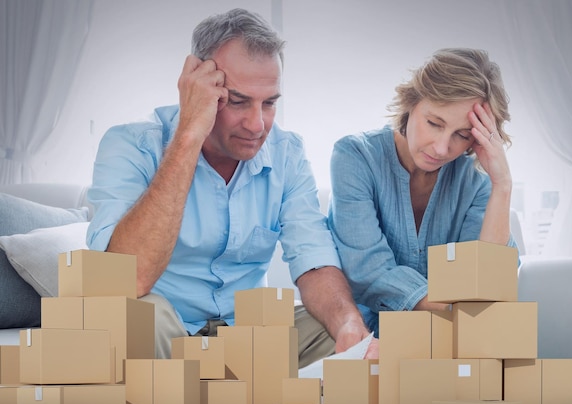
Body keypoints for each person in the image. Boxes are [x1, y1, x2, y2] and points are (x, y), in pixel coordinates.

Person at [86, 8, 376, 367]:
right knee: (138, 313)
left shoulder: (288, 153)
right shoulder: (130, 145)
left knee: (349, 325)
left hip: (250, 336)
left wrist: (347, 323)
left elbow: (313, 259)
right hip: (167, 335)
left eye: (269, 103)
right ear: (197, 86)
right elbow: (126, 279)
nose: (257, 124)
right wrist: (189, 133)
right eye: (238, 101)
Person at [327, 48, 518, 337]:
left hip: (449, 341)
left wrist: (502, 185)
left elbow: (487, 278)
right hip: (363, 339)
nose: (442, 148)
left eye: (462, 135)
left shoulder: (476, 179)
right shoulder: (355, 156)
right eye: (434, 123)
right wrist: (465, 307)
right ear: (411, 103)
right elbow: (368, 272)